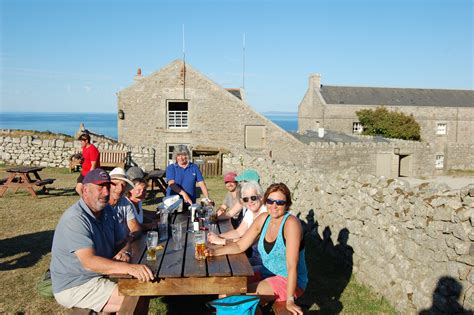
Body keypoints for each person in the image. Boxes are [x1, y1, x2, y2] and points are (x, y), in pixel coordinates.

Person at [50, 168, 154, 313]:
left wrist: (125, 252)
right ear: (85, 190)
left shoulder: (107, 211)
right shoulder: (75, 219)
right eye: (100, 187)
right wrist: (129, 268)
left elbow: (124, 240)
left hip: (96, 275)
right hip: (75, 284)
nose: (106, 192)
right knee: (134, 298)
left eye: (107, 186)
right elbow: (89, 262)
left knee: (140, 292)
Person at [205, 183, 308, 315]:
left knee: (239, 297)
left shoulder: (291, 224)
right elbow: (240, 245)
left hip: (287, 279)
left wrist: (289, 299)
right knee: (226, 289)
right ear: (266, 201)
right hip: (266, 272)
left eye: (280, 202)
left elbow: (291, 266)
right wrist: (213, 252)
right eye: (270, 201)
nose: (274, 206)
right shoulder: (263, 219)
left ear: (287, 205)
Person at [108, 167, 137, 240]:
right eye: (115, 184)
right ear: (108, 185)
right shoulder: (100, 205)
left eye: (123, 185)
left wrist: (128, 239)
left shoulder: (125, 202)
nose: (120, 188)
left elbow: (134, 227)